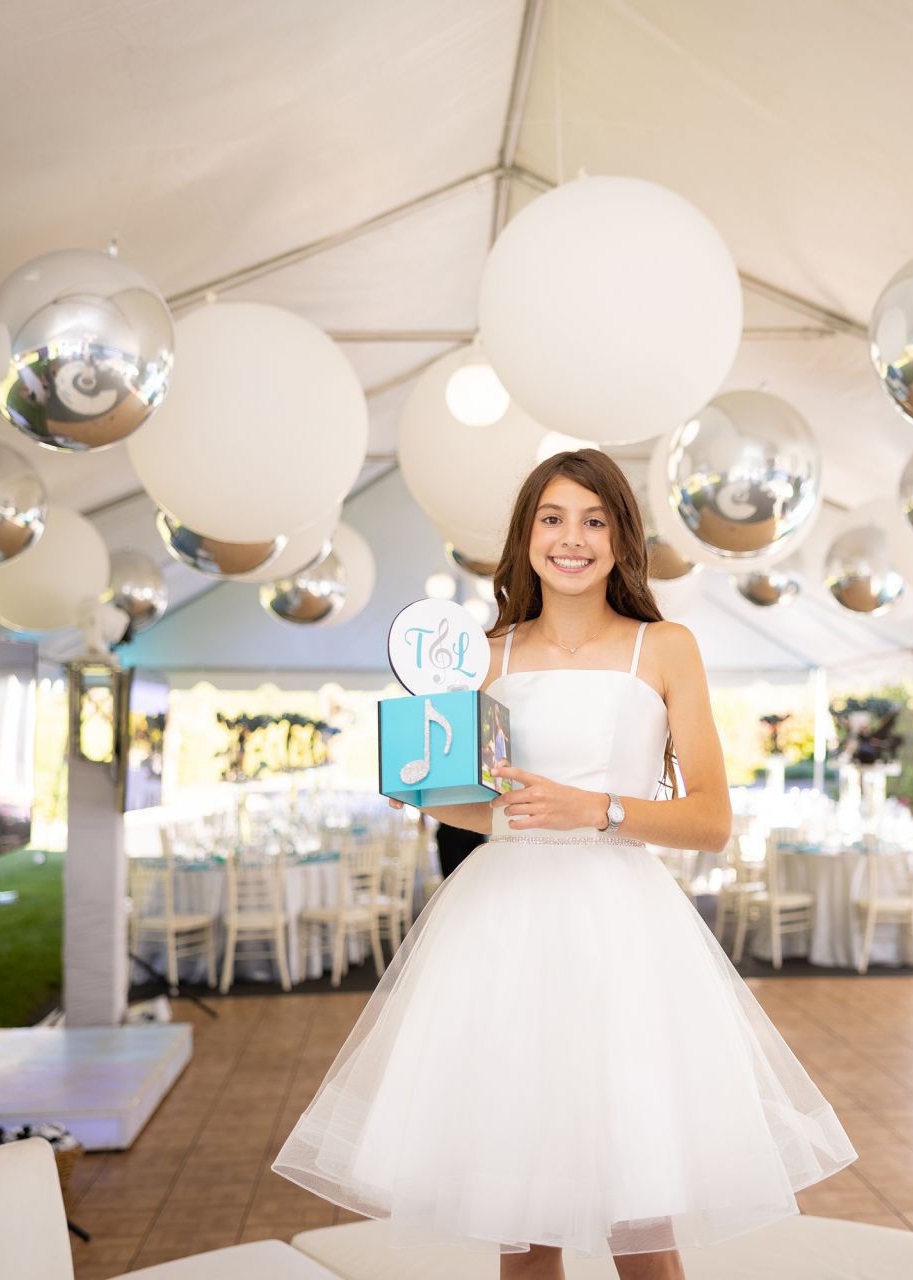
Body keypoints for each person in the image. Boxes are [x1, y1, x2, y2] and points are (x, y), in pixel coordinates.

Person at [272, 449, 855, 1279]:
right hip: (502, 932)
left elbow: (711, 821)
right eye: (552, 518)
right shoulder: (484, 655)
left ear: (622, 539)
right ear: (526, 535)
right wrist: (420, 792)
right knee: (521, 1224)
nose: (571, 539)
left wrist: (600, 809)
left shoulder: (665, 648)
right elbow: (495, 809)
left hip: (622, 934)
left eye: (593, 520)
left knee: (643, 1229)